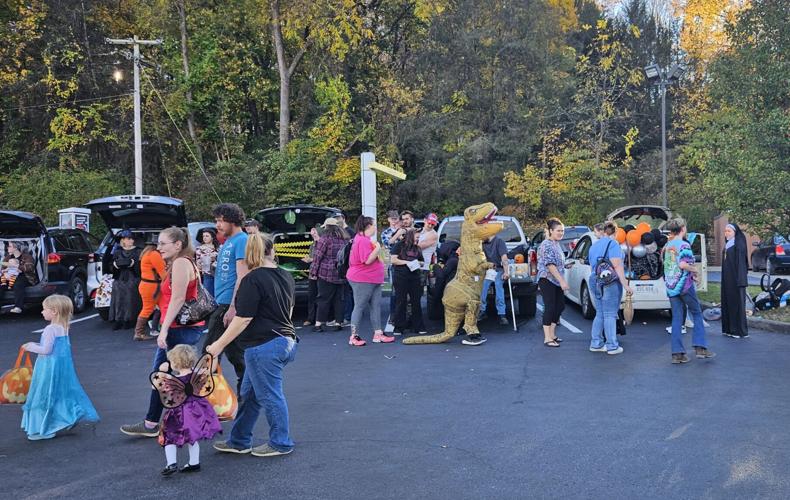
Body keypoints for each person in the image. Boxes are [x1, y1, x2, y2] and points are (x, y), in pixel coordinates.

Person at [207, 233, 299, 457]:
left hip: (263, 346)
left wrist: (218, 345)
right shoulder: (285, 275)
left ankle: (281, 442)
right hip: (284, 341)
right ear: (272, 251)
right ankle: (239, 440)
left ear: (249, 254)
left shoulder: (252, 280)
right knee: (250, 394)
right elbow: (288, 311)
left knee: (269, 395)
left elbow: (243, 318)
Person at [120, 227, 206, 437]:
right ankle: (154, 422)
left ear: (177, 244)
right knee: (169, 376)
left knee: (167, 377)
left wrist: (163, 329)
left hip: (179, 329)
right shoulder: (184, 262)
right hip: (184, 327)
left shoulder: (180, 263)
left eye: (162, 243)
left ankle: (182, 422)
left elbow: (177, 298)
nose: (158, 248)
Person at [21, 294, 99, 440]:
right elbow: (56, 348)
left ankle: (41, 428)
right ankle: (67, 417)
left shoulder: (50, 329)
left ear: (54, 311)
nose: (42, 312)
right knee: (60, 393)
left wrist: (30, 346)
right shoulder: (64, 327)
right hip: (62, 366)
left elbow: (46, 350)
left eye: (44, 309)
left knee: (44, 394)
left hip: (48, 367)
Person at [152, 345, 221, 476]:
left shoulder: (172, 380)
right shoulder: (197, 375)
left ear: (175, 363)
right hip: (197, 410)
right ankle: (194, 463)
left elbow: (155, 386)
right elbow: (210, 370)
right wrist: (215, 356)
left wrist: (161, 371)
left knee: (168, 436)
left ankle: (171, 463)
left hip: (178, 413)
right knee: (192, 438)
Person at [202, 203, 249, 396]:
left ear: (233, 220)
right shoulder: (227, 242)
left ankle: (204, 406)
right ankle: (247, 394)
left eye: (221, 220)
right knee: (236, 355)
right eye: (216, 221)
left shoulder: (242, 240)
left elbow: (242, 275)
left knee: (210, 354)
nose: (217, 225)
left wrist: (233, 308)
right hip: (221, 303)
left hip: (227, 306)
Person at [663, 218, 716, 364]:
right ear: (682, 228)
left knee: (677, 318)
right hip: (685, 286)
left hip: (671, 286)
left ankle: (677, 354)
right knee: (697, 313)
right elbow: (682, 264)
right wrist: (695, 271)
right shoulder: (684, 244)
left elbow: (669, 265)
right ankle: (700, 348)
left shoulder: (668, 246)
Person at [588, 221, 633, 355]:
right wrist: (625, 284)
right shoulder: (613, 244)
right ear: (615, 232)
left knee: (600, 313)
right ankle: (612, 345)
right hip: (609, 282)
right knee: (610, 314)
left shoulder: (593, 246)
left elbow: (592, 266)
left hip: (595, 279)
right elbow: (617, 265)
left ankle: (596, 343)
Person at [347, 216, 393, 346]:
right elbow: (366, 260)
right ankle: (353, 336)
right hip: (362, 279)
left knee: (375, 306)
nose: (375, 228)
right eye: (374, 225)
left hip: (372, 279)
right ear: (368, 226)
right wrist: (378, 248)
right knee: (359, 306)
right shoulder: (362, 241)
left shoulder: (363, 239)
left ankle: (378, 333)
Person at [309, 218, 347, 332]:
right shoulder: (344, 240)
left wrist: (313, 272)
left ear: (326, 227)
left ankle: (319, 324)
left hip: (326, 273)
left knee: (323, 299)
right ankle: (338, 322)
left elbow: (317, 257)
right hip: (341, 273)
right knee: (339, 299)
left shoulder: (324, 239)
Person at [537, 218, 569, 348]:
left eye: (562, 231)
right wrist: (562, 281)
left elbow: (557, 262)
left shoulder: (556, 244)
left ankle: (552, 334)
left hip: (556, 280)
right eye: (558, 231)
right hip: (547, 279)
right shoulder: (547, 244)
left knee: (560, 306)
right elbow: (550, 265)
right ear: (550, 231)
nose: (561, 233)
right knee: (550, 307)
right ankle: (547, 338)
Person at [103, 230, 142, 330]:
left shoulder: (138, 251)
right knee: (118, 297)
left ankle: (129, 320)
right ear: (123, 240)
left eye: (132, 238)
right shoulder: (117, 252)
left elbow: (141, 267)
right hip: (119, 277)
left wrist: (134, 264)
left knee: (130, 297)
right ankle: (118, 320)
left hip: (133, 277)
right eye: (128, 238)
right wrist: (115, 265)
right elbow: (110, 265)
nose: (131, 241)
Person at [390, 229, 426, 335]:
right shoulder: (399, 246)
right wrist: (408, 262)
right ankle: (399, 327)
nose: (418, 240)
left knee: (416, 302)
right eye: (417, 237)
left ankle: (418, 326)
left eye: (419, 238)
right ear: (410, 236)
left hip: (414, 276)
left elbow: (422, 261)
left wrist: (419, 263)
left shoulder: (417, 248)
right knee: (401, 301)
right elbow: (393, 260)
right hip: (401, 276)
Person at [135, 235, 166, 341]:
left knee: (163, 306)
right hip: (152, 287)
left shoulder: (146, 253)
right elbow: (163, 273)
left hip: (148, 285)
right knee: (148, 309)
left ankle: (162, 330)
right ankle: (139, 333)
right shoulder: (154, 255)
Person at [721, 223, 749, 339]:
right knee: (727, 302)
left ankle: (738, 330)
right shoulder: (728, 244)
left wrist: (741, 280)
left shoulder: (739, 244)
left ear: (735, 232)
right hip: (727, 279)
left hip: (736, 280)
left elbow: (742, 265)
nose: (726, 233)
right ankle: (729, 329)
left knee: (736, 304)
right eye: (725, 231)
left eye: (729, 231)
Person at [478, 233, 510, 326]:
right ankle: (482, 311)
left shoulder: (499, 241)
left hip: (499, 269)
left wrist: (506, 272)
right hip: (487, 270)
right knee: (482, 286)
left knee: (498, 285)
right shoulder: (482, 243)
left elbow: (504, 258)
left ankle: (502, 314)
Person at [2, 241, 39, 314]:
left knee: (18, 283)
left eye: (9, 246)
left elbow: (29, 267)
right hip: (10, 276)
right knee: (1, 284)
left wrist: (16, 266)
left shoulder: (27, 256)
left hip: (25, 276)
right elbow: (3, 268)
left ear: (16, 248)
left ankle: (18, 307)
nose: (7, 248)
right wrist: (5, 273)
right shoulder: (7, 257)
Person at [336, 213, 354, 327]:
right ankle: (344, 316)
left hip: (349, 266)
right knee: (343, 293)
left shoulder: (350, 232)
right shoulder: (339, 232)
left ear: (343, 218)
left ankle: (348, 317)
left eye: (338, 219)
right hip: (343, 266)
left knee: (348, 293)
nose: (337, 221)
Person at [301, 226, 320, 327]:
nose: (312, 233)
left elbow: (322, 258)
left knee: (321, 297)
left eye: (314, 231)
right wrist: (308, 259)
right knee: (311, 296)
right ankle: (310, 318)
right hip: (312, 274)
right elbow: (313, 258)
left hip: (322, 274)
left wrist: (311, 260)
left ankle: (320, 319)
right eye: (312, 232)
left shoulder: (323, 243)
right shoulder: (312, 245)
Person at [195, 228, 219, 298]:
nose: (204, 238)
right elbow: (198, 264)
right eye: (203, 236)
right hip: (207, 273)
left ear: (212, 237)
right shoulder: (199, 248)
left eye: (207, 236)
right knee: (208, 295)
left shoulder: (219, 248)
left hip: (218, 274)